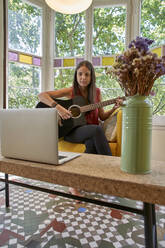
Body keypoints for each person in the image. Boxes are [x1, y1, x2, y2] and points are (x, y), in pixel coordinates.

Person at [38, 60, 121, 197]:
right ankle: (112, 173)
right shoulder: (71, 91)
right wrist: (58, 108)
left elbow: (102, 116)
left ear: (91, 76)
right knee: (96, 130)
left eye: (87, 74)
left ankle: (75, 184)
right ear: (76, 75)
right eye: (80, 74)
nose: (83, 77)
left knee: (91, 144)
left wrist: (113, 108)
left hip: (88, 132)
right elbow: (42, 96)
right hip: (70, 131)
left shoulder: (97, 92)